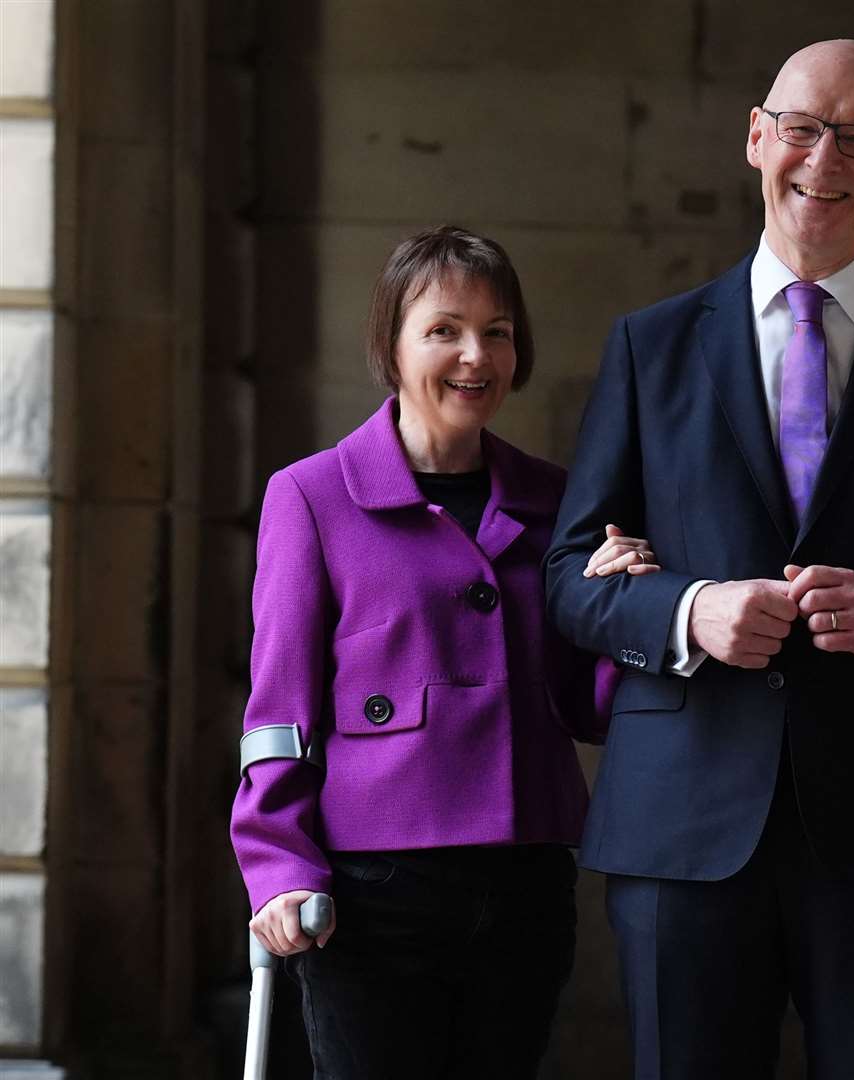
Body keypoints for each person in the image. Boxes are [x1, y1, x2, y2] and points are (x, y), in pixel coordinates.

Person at [544, 38, 854, 1079]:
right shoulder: (651, 345)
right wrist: (690, 610)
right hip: (682, 828)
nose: (826, 157)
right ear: (757, 138)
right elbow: (567, 575)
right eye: (805, 128)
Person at [229, 226, 623, 1079]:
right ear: (392, 346)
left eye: (498, 331)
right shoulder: (311, 496)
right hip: (368, 895)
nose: (474, 355)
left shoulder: (558, 499)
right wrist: (277, 866)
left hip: (524, 884)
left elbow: (583, 705)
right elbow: (279, 711)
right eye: (444, 329)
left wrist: (622, 610)